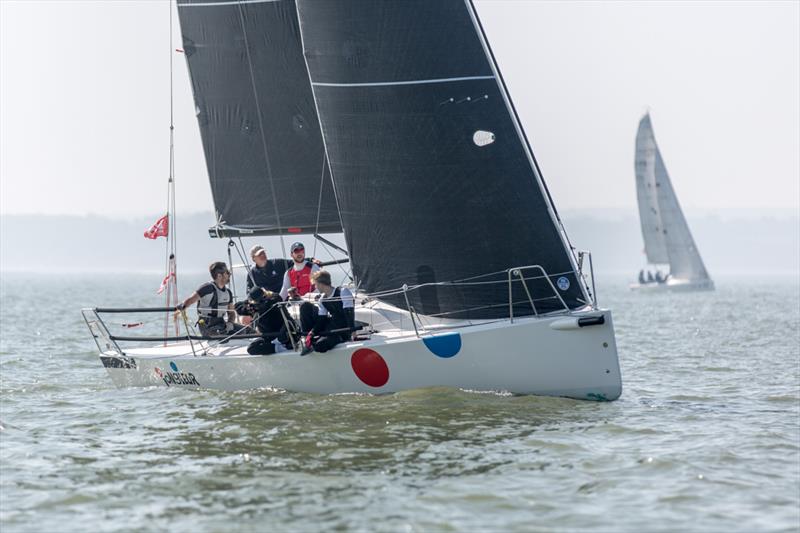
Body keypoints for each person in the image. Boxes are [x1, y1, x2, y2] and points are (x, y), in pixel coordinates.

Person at [175, 261, 243, 337]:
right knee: (227, 337)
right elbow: (190, 300)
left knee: (250, 332)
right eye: (227, 272)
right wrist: (182, 306)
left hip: (222, 324)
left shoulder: (228, 293)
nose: (229, 274)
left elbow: (231, 313)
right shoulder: (207, 288)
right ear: (219, 276)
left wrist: (230, 323)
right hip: (207, 327)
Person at [300, 270, 355, 356]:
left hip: (343, 329)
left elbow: (349, 312)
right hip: (331, 326)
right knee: (305, 306)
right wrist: (312, 332)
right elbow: (322, 320)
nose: (316, 287)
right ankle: (307, 340)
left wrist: (352, 332)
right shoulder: (322, 298)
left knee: (320, 345)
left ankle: (316, 345)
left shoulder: (342, 292)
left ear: (321, 284)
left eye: (316, 284)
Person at [236, 286, 287, 355]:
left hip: (282, 335)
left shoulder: (274, 299)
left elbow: (276, 299)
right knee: (252, 349)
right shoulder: (254, 307)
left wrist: (261, 305)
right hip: (269, 337)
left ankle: (283, 347)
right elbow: (237, 307)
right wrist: (249, 306)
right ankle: (278, 348)